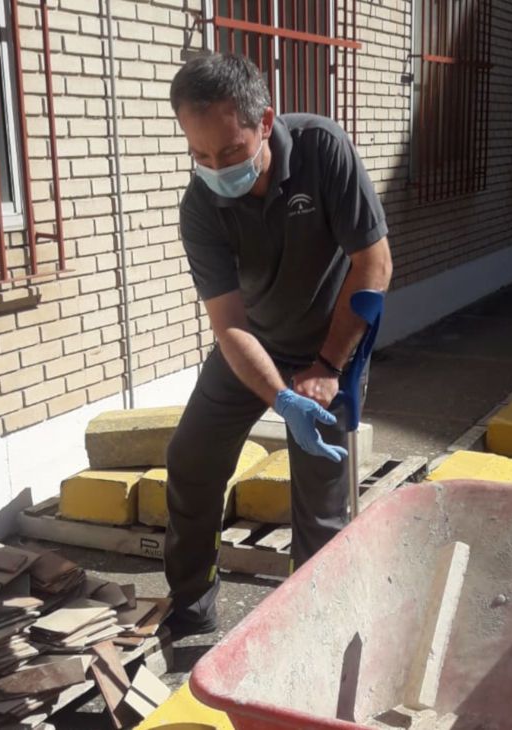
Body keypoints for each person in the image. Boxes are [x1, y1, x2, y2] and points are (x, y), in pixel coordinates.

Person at [163, 53, 393, 636]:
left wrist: (326, 367)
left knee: (319, 500)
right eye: (200, 156)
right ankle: (190, 611)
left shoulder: (322, 150)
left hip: (328, 347)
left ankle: (316, 629)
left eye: (231, 152)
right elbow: (229, 325)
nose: (217, 169)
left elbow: (374, 263)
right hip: (251, 348)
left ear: (265, 121)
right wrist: (279, 397)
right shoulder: (201, 206)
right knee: (190, 461)